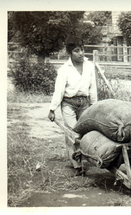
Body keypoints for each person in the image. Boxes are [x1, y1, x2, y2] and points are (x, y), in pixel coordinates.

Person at [48, 35, 98, 175]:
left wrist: (95, 106)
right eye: (77, 50)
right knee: (72, 134)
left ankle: (87, 157)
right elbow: (59, 91)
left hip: (85, 103)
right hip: (69, 104)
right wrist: (52, 109)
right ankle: (77, 165)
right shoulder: (64, 70)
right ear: (70, 52)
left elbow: (93, 88)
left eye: (82, 49)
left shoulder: (89, 66)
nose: (81, 53)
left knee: (85, 132)